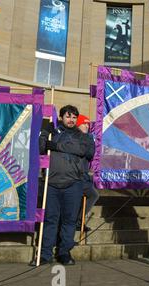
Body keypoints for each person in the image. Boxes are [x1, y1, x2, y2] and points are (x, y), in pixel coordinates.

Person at [34, 105, 95, 266]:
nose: (71, 120)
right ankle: (45, 254)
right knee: (50, 220)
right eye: (68, 116)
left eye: (74, 117)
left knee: (69, 220)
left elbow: (84, 151)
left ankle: (64, 253)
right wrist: (44, 134)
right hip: (51, 184)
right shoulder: (52, 133)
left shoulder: (83, 136)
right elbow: (40, 148)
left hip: (73, 184)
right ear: (61, 117)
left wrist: (56, 146)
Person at [75, 115, 99, 233]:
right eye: (84, 123)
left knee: (93, 194)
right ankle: (78, 220)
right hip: (74, 175)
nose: (87, 126)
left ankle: (79, 220)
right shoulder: (74, 136)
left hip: (83, 174)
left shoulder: (88, 138)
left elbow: (90, 155)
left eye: (88, 124)